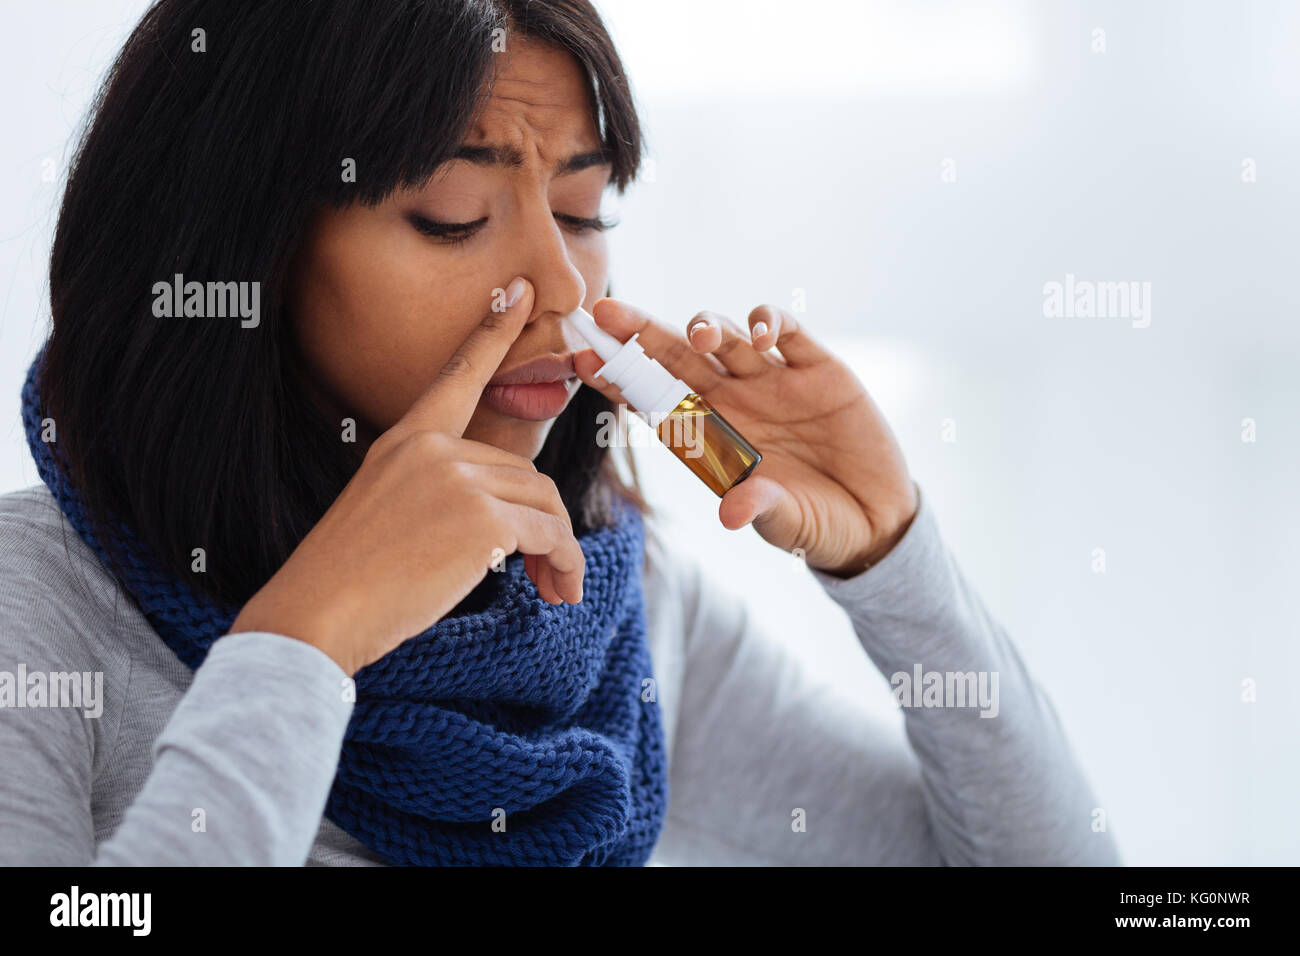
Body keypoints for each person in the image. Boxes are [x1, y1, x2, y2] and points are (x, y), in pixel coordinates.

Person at [0, 0, 1120, 866]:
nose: (555, 282)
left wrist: (892, 557)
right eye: (453, 214)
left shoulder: (619, 620)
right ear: (244, 247)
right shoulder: (38, 609)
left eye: (586, 212)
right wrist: (305, 639)